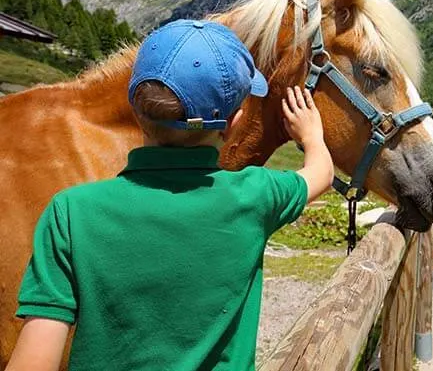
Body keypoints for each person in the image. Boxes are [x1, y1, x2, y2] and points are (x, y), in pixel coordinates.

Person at [7, 19, 334, 371]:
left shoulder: (69, 213)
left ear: (134, 106)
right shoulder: (255, 195)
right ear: (235, 121)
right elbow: (322, 174)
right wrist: (311, 136)